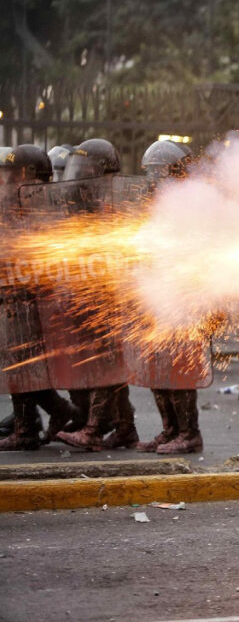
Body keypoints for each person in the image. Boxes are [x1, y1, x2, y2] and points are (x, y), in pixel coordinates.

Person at [53, 138, 139, 451]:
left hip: (109, 298)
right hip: (90, 296)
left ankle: (92, 430)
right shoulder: (84, 207)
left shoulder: (113, 206)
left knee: (104, 365)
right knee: (107, 367)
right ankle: (126, 429)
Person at [0, 145, 83, 450]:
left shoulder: (42, 205)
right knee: (16, 366)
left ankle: (36, 424)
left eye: (13, 174)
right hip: (12, 297)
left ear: (32, 175)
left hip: (29, 299)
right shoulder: (15, 202)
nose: (7, 180)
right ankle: (32, 422)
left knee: (22, 366)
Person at [133, 140, 207, 453]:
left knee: (179, 368)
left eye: (160, 172)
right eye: (151, 173)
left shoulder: (198, 204)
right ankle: (170, 429)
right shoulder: (150, 204)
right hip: (156, 294)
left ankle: (189, 433)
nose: (154, 179)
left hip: (184, 300)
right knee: (157, 367)